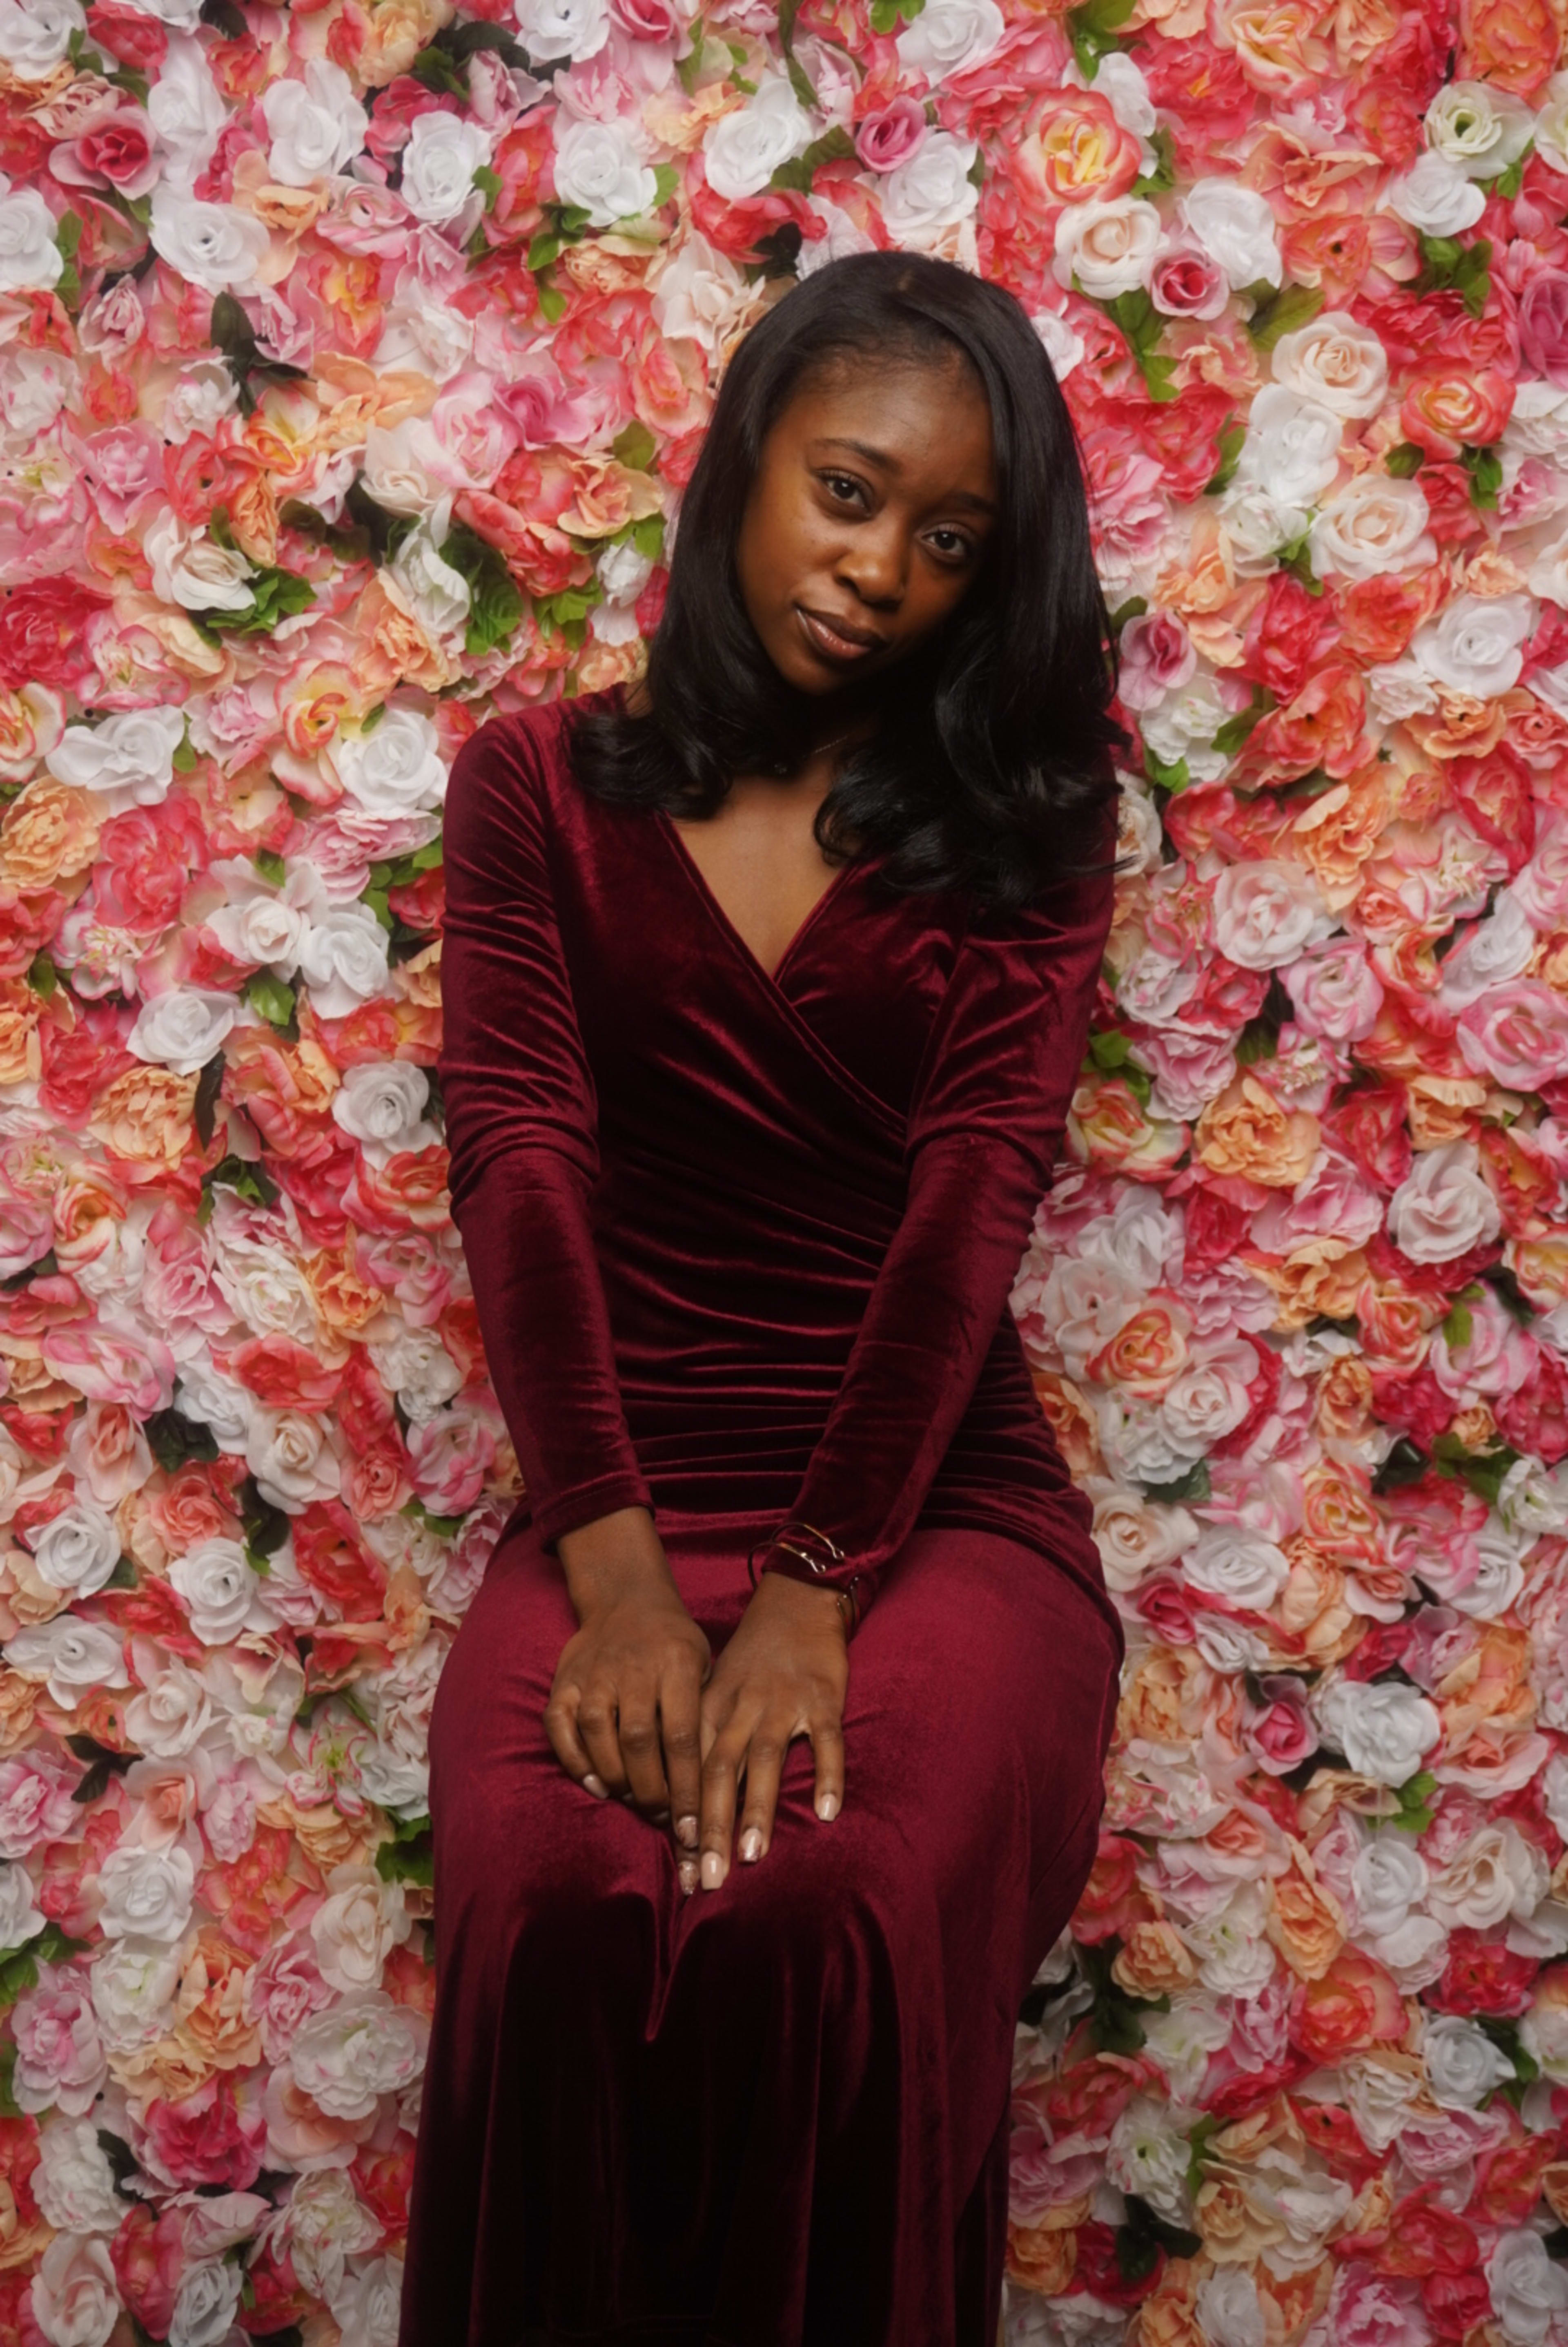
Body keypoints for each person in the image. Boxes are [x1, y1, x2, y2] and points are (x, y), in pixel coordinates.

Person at [398, 248, 1128, 2347]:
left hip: (928, 1524)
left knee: (812, 1901)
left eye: (951, 541)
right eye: (847, 490)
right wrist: (619, 1583)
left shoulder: (1027, 820)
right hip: (619, 1499)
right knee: (555, 1904)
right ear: (738, 471)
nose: (882, 568)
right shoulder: (534, 786)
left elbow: (968, 1211)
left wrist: (814, 1592)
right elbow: (519, 1169)